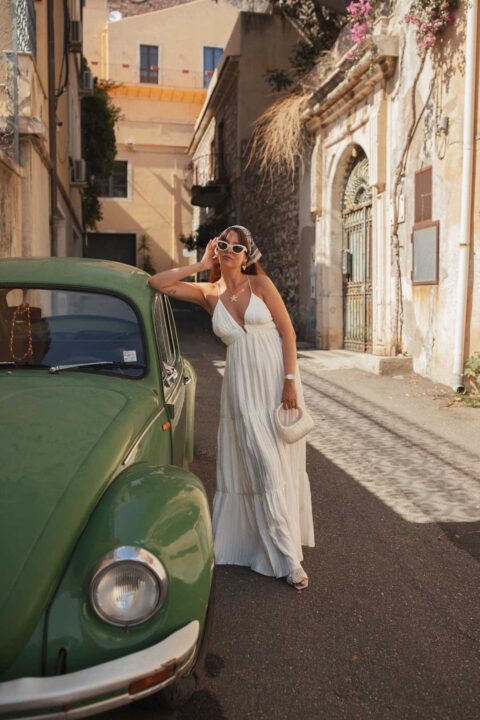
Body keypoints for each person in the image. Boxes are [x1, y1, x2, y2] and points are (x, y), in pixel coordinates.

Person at [148, 226, 315, 590]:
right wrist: (199, 264)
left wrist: (290, 379)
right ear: (216, 248)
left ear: (247, 255)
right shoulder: (209, 293)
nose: (229, 251)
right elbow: (157, 283)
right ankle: (288, 559)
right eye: (223, 244)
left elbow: (287, 331)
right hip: (241, 389)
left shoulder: (260, 286)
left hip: (275, 380)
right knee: (262, 465)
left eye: (237, 247)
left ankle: (278, 543)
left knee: (278, 462)